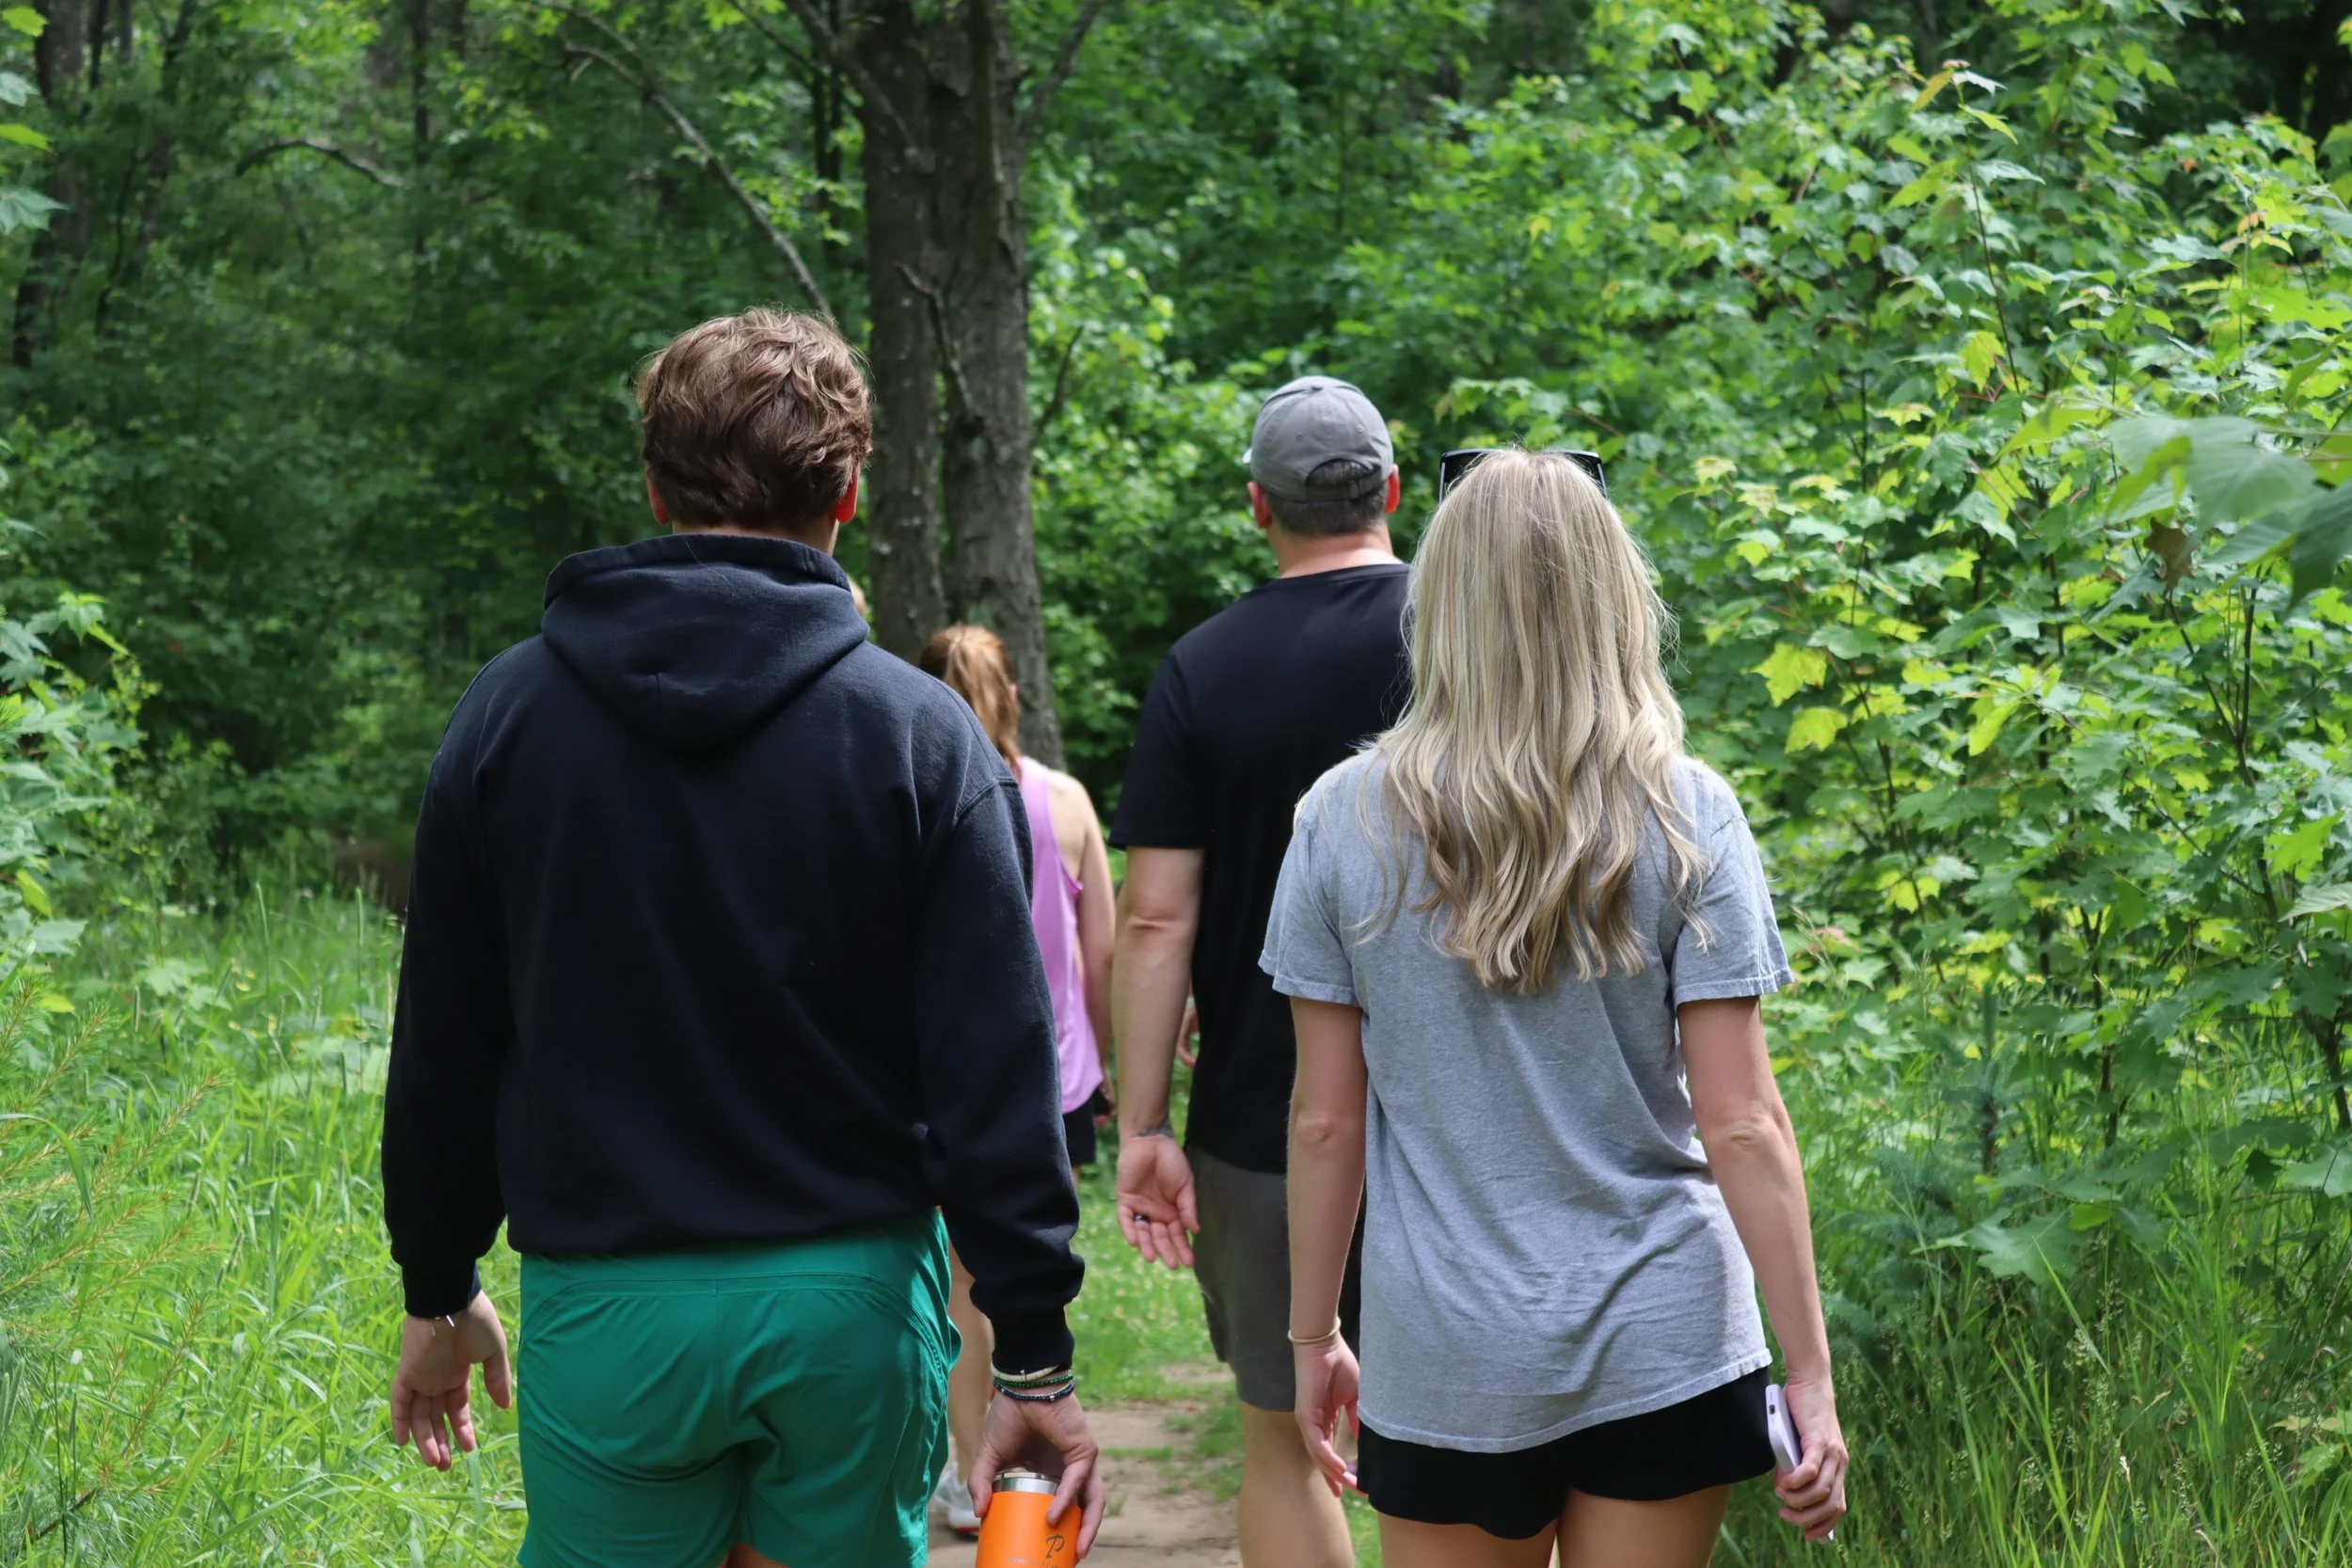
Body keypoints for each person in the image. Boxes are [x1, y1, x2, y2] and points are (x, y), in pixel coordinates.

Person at [378, 308, 1106, 1568]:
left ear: (655, 487)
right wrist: (1031, 1353)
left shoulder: (508, 719)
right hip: (849, 1304)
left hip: (609, 1309)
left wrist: (439, 1288)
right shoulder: (921, 736)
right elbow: (994, 1065)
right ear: (850, 493)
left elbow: (447, 1036)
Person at [1265, 449, 1851, 1568]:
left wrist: (1313, 1335)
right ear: (1611, 595)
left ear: (1439, 602)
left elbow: (1323, 1119)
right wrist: (1808, 1374)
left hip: (1446, 1344)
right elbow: (1742, 1119)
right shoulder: (1688, 811)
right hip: (1663, 1332)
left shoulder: (1339, 819)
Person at [1110, 374, 1410, 1568]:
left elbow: (1152, 919)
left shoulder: (1201, 667)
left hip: (1263, 1117)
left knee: (1285, 1438)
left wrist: (1142, 1122)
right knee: (1498, 1442)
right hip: (1478, 1111)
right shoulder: (1473, 641)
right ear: (1390, 491)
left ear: (1257, 507)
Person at [919, 623, 1116, 1536]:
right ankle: (1034, 1438)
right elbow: (1101, 953)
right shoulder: (1067, 800)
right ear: (1013, 693)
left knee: (962, 1289)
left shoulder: (917, 783)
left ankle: (971, 1476)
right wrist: (1108, 1071)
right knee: (1028, 1266)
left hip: (942, 1076)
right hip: (1054, 1080)